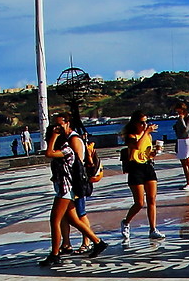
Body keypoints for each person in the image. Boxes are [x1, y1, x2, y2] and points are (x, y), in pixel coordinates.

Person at [43, 112, 104, 263]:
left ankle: (55, 254)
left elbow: (48, 153)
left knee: (55, 220)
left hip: (67, 188)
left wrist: (53, 136)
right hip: (63, 187)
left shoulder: (67, 148)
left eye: (59, 125)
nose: (57, 128)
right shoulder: (64, 146)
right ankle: (98, 242)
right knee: (74, 219)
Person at [117, 112, 161, 240]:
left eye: (146, 122)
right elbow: (136, 146)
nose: (144, 125)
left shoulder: (147, 136)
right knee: (139, 202)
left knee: (152, 199)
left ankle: (153, 228)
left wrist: (154, 152)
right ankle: (126, 222)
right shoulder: (131, 136)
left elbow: (146, 152)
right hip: (135, 168)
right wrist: (146, 132)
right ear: (135, 123)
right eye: (141, 122)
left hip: (147, 166)